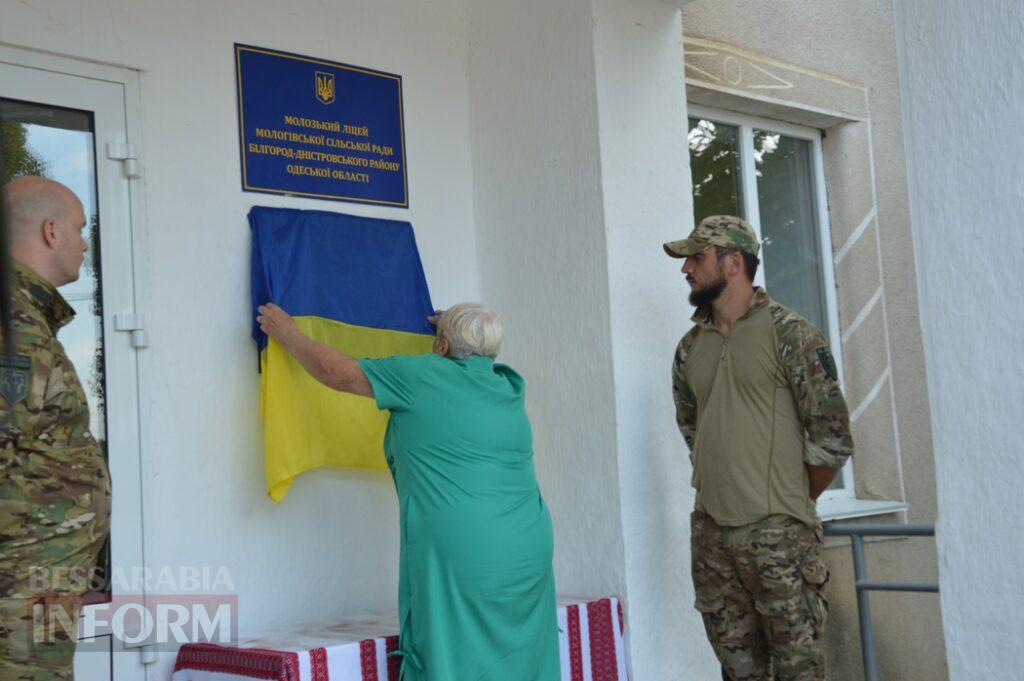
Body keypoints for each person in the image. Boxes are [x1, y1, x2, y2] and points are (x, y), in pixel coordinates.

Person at [257, 301, 559, 680]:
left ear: (443, 347)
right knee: (520, 656)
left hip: (466, 551)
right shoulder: (508, 386)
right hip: (528, 547)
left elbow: (337, 372)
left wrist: (288, 334)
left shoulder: (423, 377)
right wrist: (457, 328)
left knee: (456, 655)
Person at [665, 215, 853, 681]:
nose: (686, 268)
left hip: (780, 538)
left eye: (696, 256)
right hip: (712, 538)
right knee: (738, 672)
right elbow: (692, 427)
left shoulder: (791, 334)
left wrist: (788, 500)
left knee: (798, 671)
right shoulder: (690, 348)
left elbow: (832, 436)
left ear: (733, 263)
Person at [0, 177, 111, 680]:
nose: (84, 243)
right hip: (15, 607)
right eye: (79, 228)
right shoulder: (14, 330)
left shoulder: (26, 320)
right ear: (49, 231)